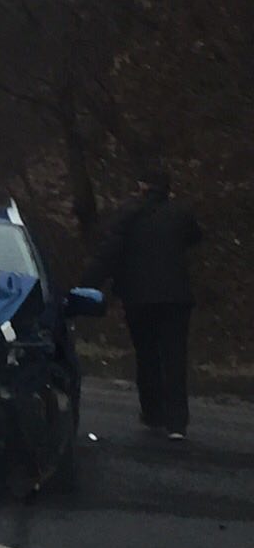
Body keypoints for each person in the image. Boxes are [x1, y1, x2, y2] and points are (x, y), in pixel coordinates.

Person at [83, 167, 202, 440]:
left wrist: (86, 286)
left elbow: (108, 254)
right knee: (174, 356)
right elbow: (195, 236)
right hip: (175, 297)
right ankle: (177, 423)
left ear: (141, 187)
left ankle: (152, 411)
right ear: (168, 190)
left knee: (147, 353)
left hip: (138, 297)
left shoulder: (128, 215)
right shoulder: (180, 214)